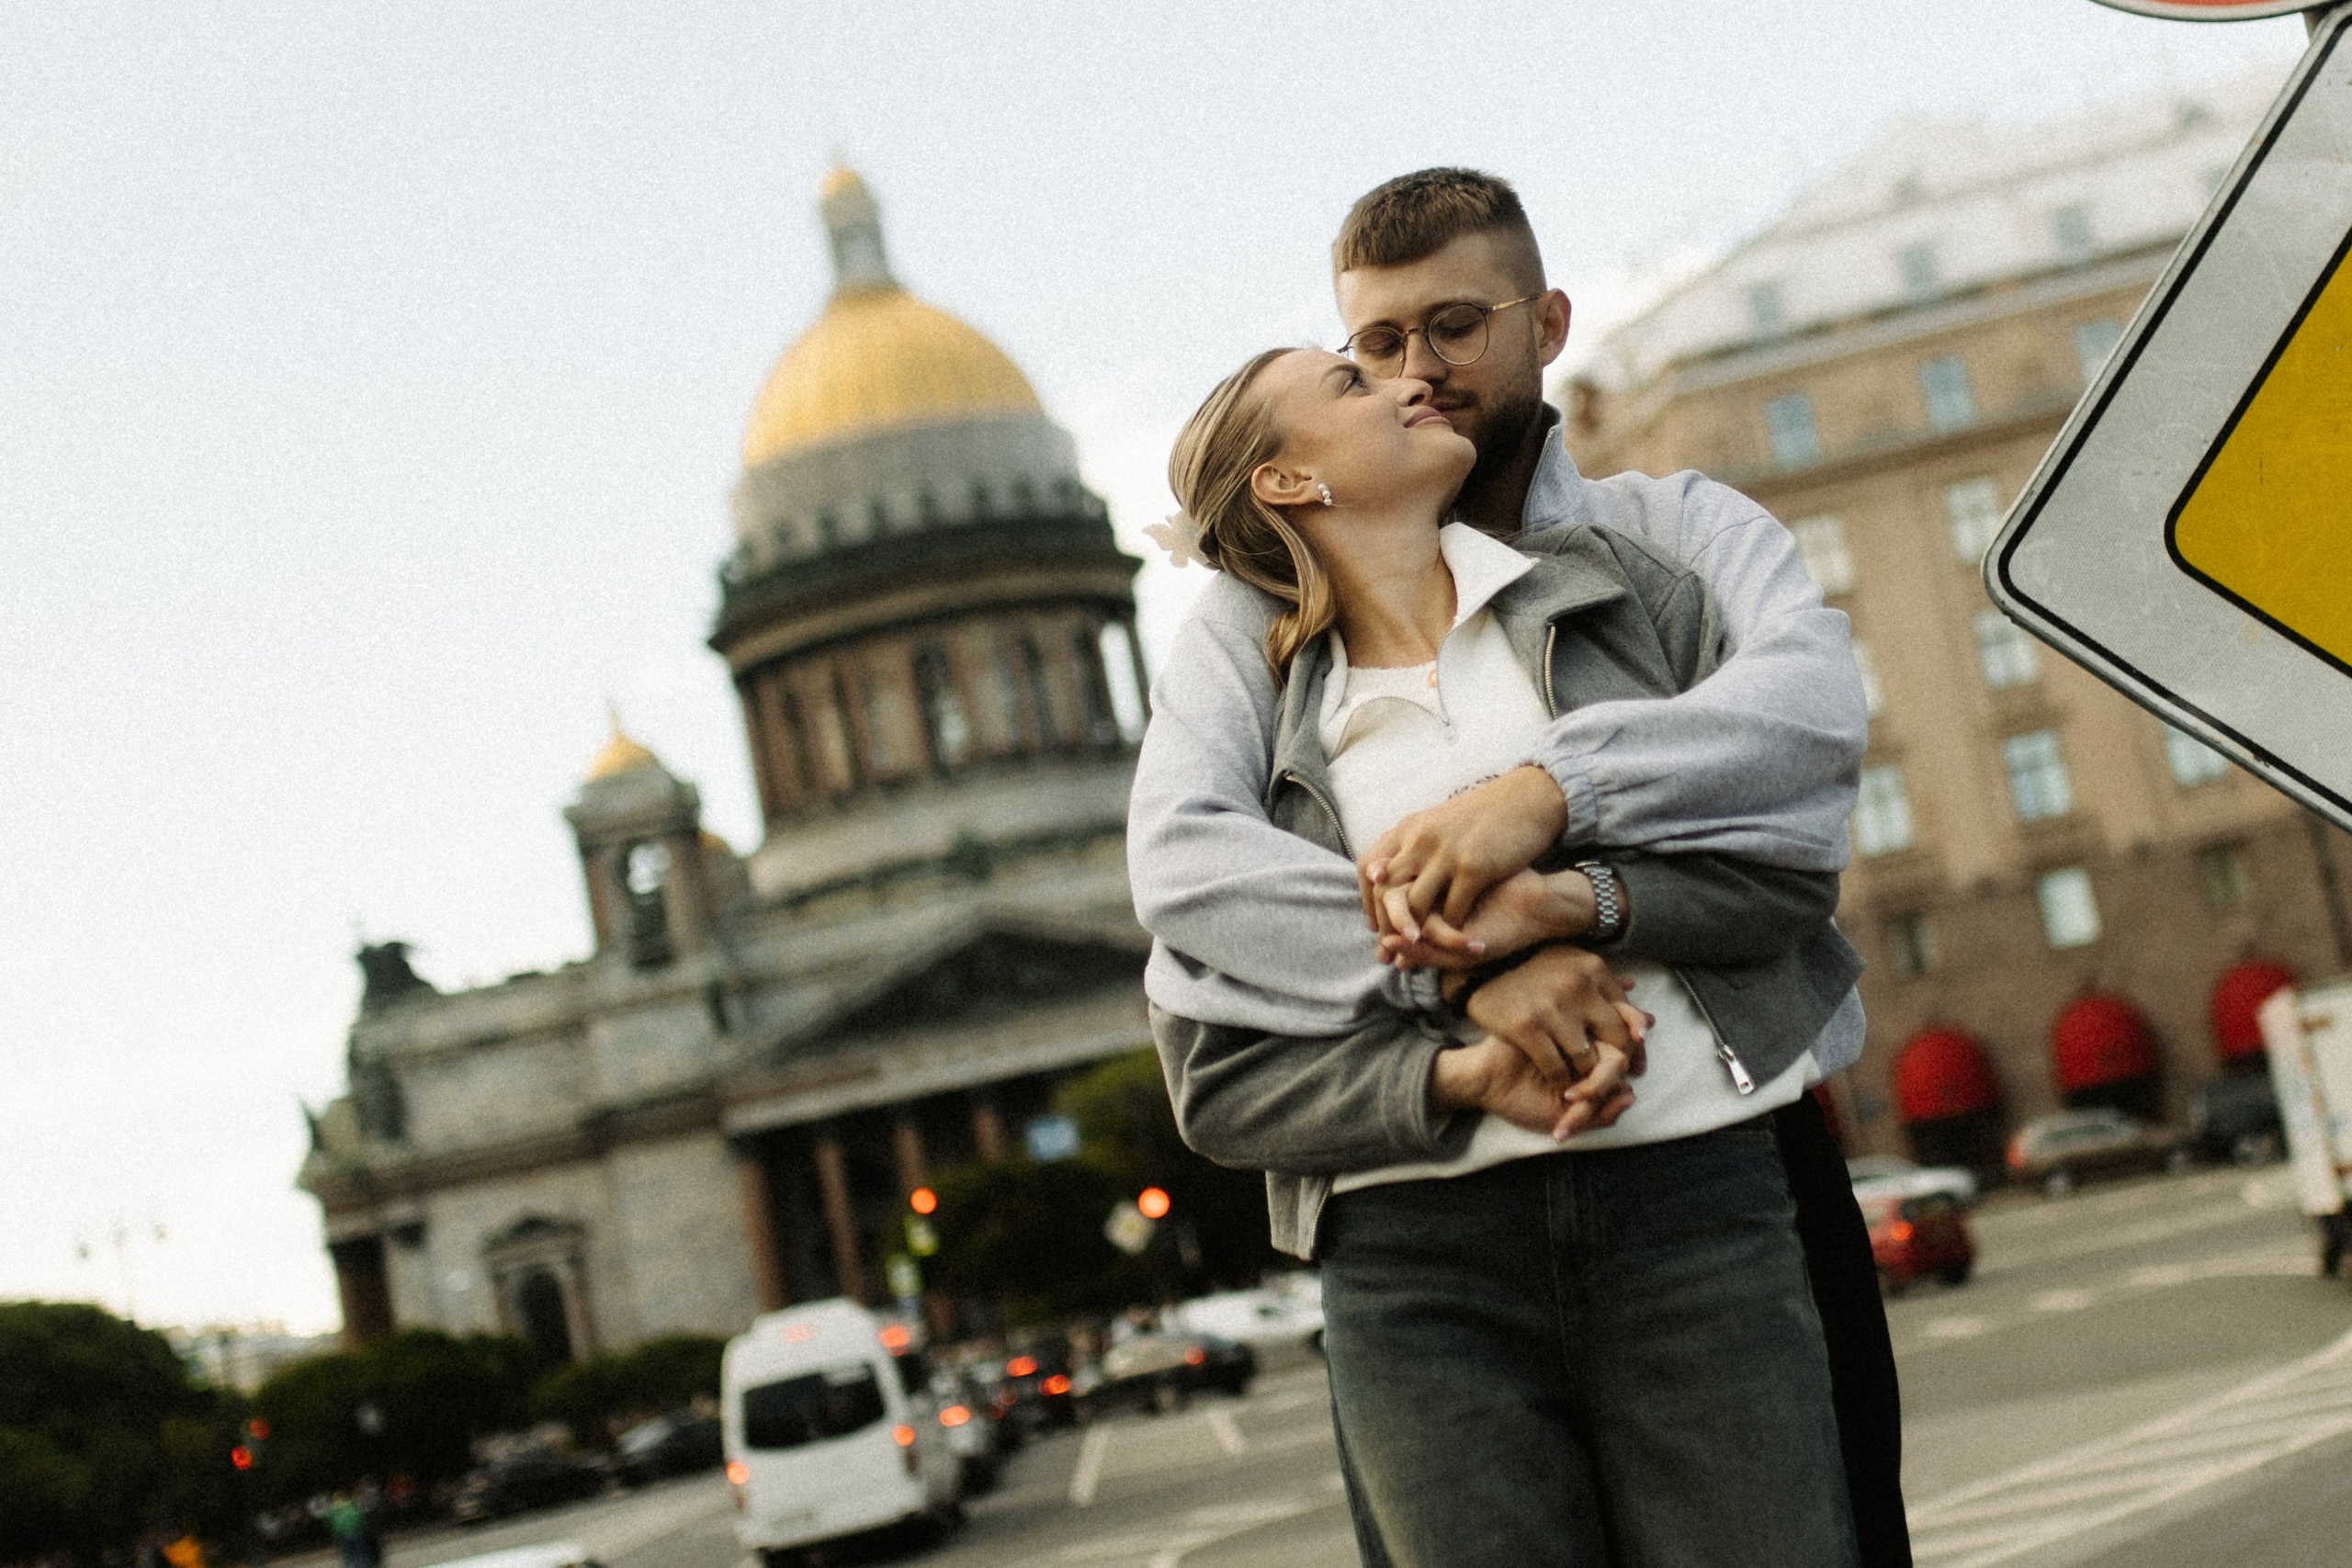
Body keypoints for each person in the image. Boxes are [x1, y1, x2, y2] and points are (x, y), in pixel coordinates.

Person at [1129, 170, 1905, 1563]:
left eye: (1452, 327)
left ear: (1545, 323)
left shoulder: (1660, 544)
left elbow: (1804, 739)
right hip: (1416, 1236)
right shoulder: (1253, 627)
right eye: (1373, 349)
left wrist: (1546, 804)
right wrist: (1463, 971)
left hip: (1726, 1157)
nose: (1416, 373)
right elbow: (1189, 878)